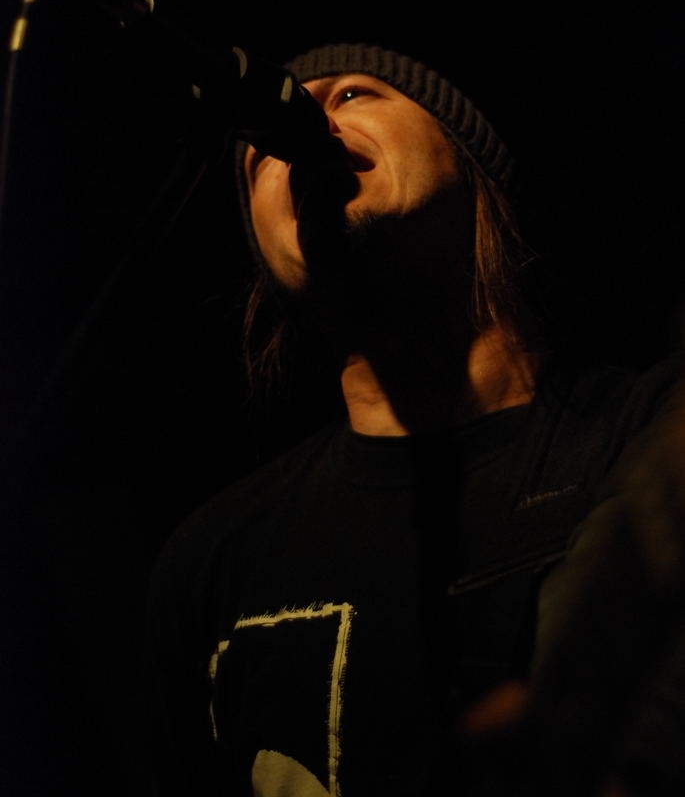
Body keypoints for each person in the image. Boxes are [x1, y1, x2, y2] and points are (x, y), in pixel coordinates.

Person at [146, 40, 684, 796]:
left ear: (469, 156)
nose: (301, 128)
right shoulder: (213, 560)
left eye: (354, 94)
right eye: (260, 156)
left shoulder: (649, 432)